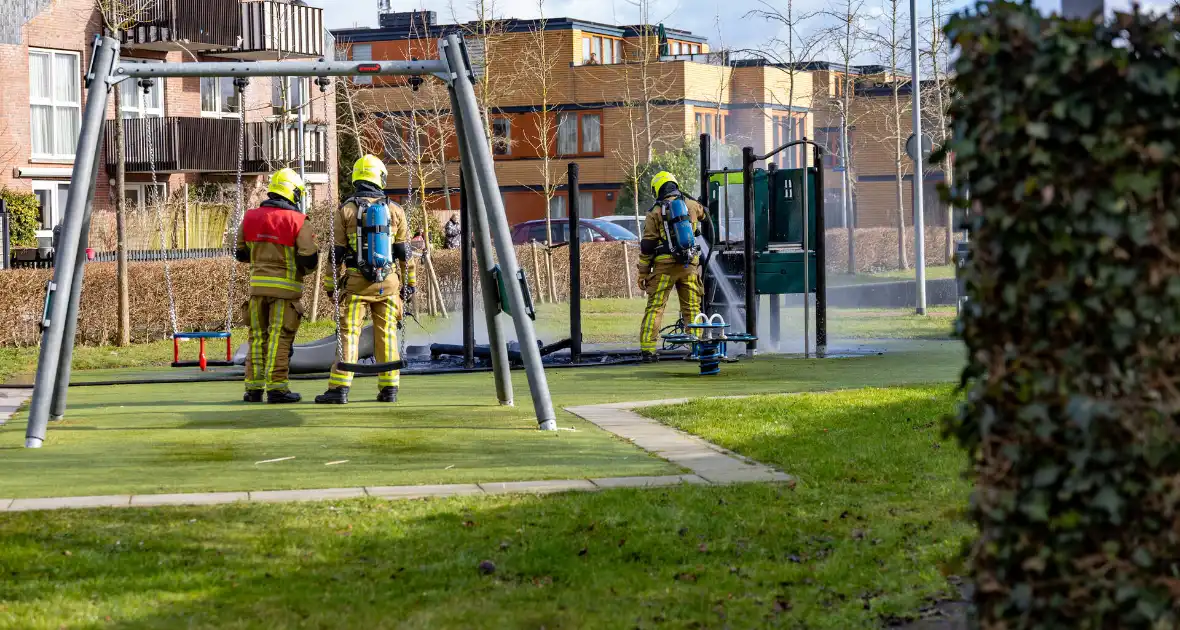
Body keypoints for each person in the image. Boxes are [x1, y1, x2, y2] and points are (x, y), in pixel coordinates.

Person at [315, 154, 416, 405]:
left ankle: (339, 389)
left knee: (349, 334)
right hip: (389, 284)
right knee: (387, 334)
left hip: (356, 283)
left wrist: (331, 287)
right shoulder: (395, 210)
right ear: (380, 178)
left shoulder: (346, 210)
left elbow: (335, 253)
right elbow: (405, 252)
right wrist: (410, 283)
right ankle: (389, 388)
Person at [235, 168, 318, 403]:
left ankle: (253, 389)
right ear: (293, 193)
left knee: (257, 338)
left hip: (256, 290)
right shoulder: (298, 221)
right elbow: (309, 258)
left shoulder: (250, 217)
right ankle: (277, 388)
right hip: (285, 292)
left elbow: (240, 253)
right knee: (279, 339)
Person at [636, 171, 713, 363]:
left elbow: (647, 245)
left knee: (655, 307)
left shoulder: (654, 212)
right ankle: (695, 348)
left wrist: (643, 273)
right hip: (689, 265)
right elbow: (705, 215)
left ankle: (648, 351)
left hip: (664, 267)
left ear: (657, 188)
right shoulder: (691, 205)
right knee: (692, 308)